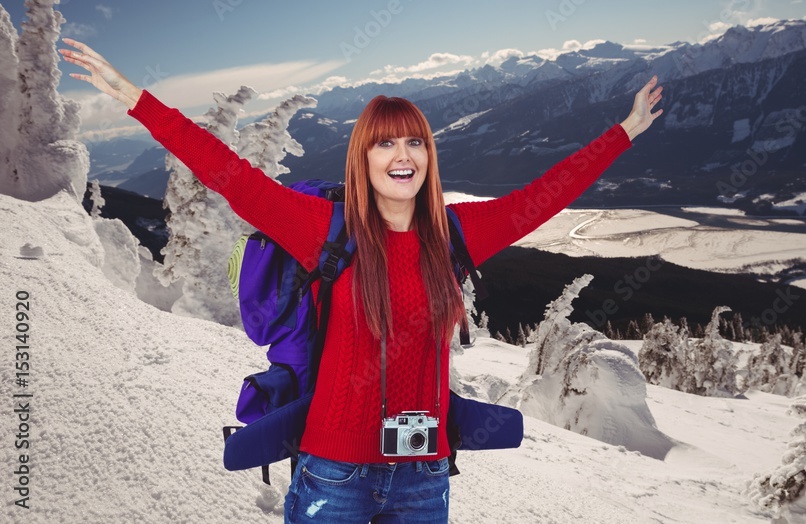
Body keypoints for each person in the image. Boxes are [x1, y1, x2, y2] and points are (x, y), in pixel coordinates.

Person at [60, 37, 663, 523]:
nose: (402, 155)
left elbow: (544, 197)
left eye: (414, 142)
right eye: (384, 144)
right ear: (363, 159)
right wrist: (133, 97)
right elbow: (229, 174)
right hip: (333, 475)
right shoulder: (324, 227)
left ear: (427, 154)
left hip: (425, 477)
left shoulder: (454, 234)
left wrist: (625, 132)